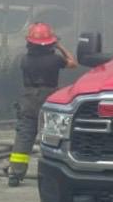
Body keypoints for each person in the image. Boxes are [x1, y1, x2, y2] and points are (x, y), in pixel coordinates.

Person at [8, 22, 76, 187]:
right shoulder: (55, 60)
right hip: (50, 99)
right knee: (55, 136)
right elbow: (73, 63)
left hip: (29, 99)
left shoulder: (24, 59)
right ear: (50, 43)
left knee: (24, 137)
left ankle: (15, 173)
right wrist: (59, 45)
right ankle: (57, 174)